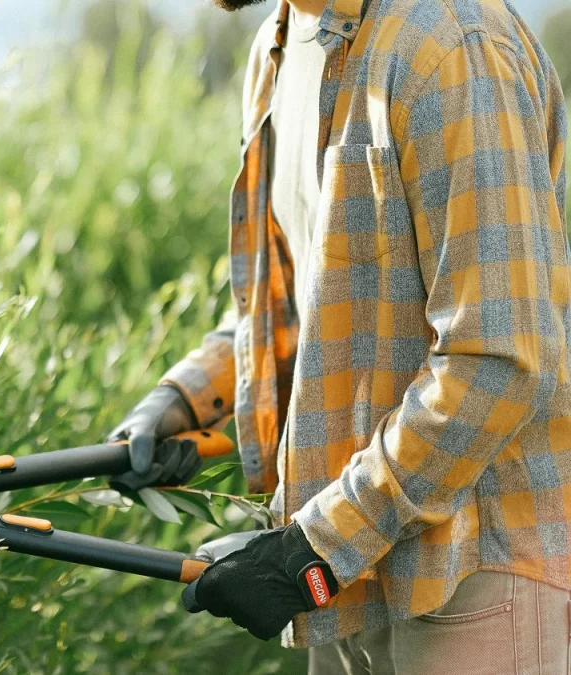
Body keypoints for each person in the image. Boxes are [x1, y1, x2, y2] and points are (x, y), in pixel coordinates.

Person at [107, 0, 570, 671]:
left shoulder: (450, 46)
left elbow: (497, 356)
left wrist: (315, 547)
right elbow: (313, 300)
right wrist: (183, 399)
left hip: (473, 578)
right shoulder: (279, 46)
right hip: (351, 574)